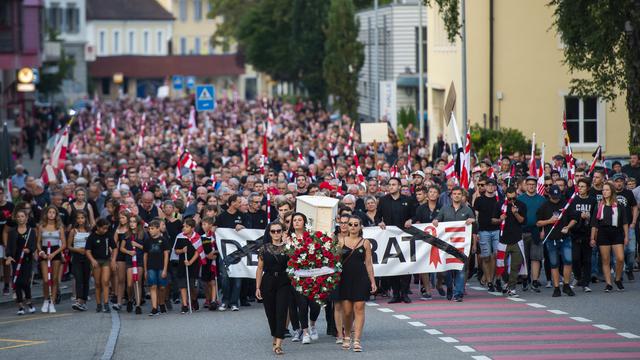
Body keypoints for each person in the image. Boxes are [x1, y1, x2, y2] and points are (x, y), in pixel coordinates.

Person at [338, 215, 376, 352]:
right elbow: (334, 261)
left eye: (356, 224)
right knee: (347, 311)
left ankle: (357, 340)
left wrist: (372, 281)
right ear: (346, 226)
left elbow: (369, 264)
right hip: (345, 278)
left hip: (361, 278)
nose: (353, 227)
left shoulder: (365, 242)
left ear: (360, 227)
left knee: (359, 308)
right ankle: (347, 335)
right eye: (350, 224)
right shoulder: (340, 241)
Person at [376, 177, 415, 303]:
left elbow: (414, 215)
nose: (391, 187)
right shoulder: (383, 200)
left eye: (394, 184)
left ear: (399, 187)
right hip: (389, 238)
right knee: (392, 266)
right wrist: (379, 222)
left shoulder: (408, 200)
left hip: (405, 238)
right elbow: (377, 217)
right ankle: (396, 294)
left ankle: (405, 293)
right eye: (389, 185)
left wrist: (411, 220)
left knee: (405, 266)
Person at [432, 186, 476, 301]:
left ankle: (458, 294)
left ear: (462, 196)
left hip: (462, 245)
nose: (456, 195)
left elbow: (475, 226)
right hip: (447, 245)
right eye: (454, 194)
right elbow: (437, 220)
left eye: (459, 194)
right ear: (451, 196)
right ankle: (450, 287)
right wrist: (435, 221)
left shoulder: (467, 210)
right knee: (447, 270)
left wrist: (473, 221)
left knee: (461, 269)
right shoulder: (444, 209)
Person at [255, 221, 291, 356]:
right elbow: (259, 268)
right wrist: (257, 287)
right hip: (268, 281)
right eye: (273, 231)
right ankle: (275, 336)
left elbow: (296, 264)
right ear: (269, 233)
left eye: (278, 231)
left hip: (284, 281)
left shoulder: (289, 247)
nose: (276, 233)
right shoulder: (264, 248)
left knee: (281, 311)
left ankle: (279, 344)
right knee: (271, 313)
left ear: (282, 232)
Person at [536, 185, 576, 297]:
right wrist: (549, 221)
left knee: (568, 261)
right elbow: (538, 222)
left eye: (557, 196)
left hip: (565, 237)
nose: (556, 199)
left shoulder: (566, 204)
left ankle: (567, 285)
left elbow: (574, 218)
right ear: (549, 195)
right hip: (551, 239)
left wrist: (568, 227)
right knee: (554, 264)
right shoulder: (544, 205)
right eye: (554, 197)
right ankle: (557, 287)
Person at [591, 182, 629, 292]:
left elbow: (625, 222)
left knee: (620, 258)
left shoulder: (619, 205)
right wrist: (592, 237)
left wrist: (626, 236)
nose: (604, 192)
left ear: (612, 191)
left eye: (607, 190)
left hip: (617, 232)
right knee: (605, 259)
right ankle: (608, 283)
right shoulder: (599, 205)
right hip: (603, 233)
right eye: (603, 190)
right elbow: (594, 223)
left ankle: (617, 279)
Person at [289, 212, 321, 344]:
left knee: (315, 306)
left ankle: (312, 325)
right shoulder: (288, 238)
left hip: (313, 276)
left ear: (304, 222)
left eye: (299, 220)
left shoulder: (312, 237)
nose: (296, 222)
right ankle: (305, 331)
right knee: (302, 305)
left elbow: (320, 253)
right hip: (297, 277)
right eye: (294, 220)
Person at [493, 187, 527, 297]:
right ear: (506, 195)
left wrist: (516, 213)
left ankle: (512, 288)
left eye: (513, 198)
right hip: (503, 240)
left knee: (516, 265)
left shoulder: (521, 205)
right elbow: (493, 220)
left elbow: (523, 221)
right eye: (509, 198)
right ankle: (506, 282)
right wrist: (500, 219)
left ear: (516, 195)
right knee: (501, 265)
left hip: (517, 239)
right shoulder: (500, 205)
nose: (511, 200)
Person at [517, 176, 546, 292]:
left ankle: (534, 281)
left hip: (536, 231)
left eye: (533, 184)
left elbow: (545, 216)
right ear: (525, 185)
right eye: (529, 184)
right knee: (523, 258)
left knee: (535, 257)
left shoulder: (542, 199)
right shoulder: (520, 199)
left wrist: (543, 230)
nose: (531, 186)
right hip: (522, 231)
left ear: (536, 186)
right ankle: (525, 280)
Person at [5, 209, 36, 315]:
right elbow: (9, 247)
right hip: (16, 259)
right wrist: (9, 256)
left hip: (26, 260)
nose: (20, 218)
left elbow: (33, 245)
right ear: (16, 219)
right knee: (17, 282)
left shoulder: (31, 231)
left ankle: (29, 301)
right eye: (18, 217)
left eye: (22, 216)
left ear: (26, 218)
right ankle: (20, 306)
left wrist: (29, 250)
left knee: (25, 282)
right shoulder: (12, 232)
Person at [570, 178, 598, 292]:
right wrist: (579, 216)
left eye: (582, 186)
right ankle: (577, 276)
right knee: (575, 258)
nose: (580, 188)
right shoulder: (573, 200)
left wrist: (593, 237)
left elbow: (594, 220)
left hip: (587, 233)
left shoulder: (592, 201)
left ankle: (586, 283)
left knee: (587, 260)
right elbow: (570, 215)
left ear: (587, 188)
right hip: (575, 233)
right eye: (579, 186)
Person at [37, 205, 66, 313]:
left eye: (53, 212)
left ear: (56, 215)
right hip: (44, 252)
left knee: (54, 279)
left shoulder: (59, 227)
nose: (51, 214)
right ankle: (45, 300)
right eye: (49, 212)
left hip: (55, 252)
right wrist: (41, 252)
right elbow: (38, 242)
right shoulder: (41, 226)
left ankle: (52, 302)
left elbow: (64, 244)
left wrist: (54, 254)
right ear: (46, 214)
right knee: (45, 280)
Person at [474, 178, 502, 292]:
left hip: (496, 230)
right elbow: (476, 217)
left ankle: (496, 280)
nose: (490, 187)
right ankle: (489, 281)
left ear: (495, 187)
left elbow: (503, 215)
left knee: (497, 256)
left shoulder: (499, 200)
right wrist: (476, 232)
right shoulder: (479, 200)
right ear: (485, 187)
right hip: (483, 231)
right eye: (488, 185)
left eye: (493, 185)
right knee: (486, 257)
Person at [85, 218, 117, 312]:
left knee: (105, 281)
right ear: (98, 227)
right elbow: (87, 250)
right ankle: (99, 304)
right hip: (96, 261)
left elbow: (114, 248)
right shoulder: (92, 237)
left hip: (106, 260)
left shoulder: (108, 235)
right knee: (98, 283)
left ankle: (106, 304)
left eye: (106, 228)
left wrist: (113, 259)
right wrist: (92, 260)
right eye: (103, 228)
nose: (105, 230)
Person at [611, 173, 638, 282]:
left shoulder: (629, 193)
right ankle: (619, 273)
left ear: (624, 182)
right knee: (615, 254)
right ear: (613, 182)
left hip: (629, 225)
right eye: (617, 181)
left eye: (621, 181)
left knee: (631, 250)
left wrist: (634, 222)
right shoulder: (610, 194)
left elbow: (635, 207)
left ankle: (629, 269)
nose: (619, 183)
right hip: (615, 227)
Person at [174, 218, 201, 314]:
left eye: (186, 227)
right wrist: (181, 251)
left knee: (192, 286)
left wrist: (190, 262)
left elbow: (198, 252)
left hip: (193, 264)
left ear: (192, 228)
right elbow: (176, 250)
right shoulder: (180, 237)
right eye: (183, 226)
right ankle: (185, 305)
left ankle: (193, 299)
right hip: (182, 263)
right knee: (183, 285)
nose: (184, 228)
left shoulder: (197, 237)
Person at [144, 220, 170, 316]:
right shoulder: (147, 241)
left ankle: (162, 303)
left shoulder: (163, 240)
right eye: (149, 229)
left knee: (162, 287)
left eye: (152, 228)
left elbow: (166, 255)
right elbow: (145, 255)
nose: (150, 231)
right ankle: (154, 308)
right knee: (153, 286)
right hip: (151, 266)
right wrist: (145, 269)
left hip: (161, 266)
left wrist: (165, 269)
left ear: (158, 229)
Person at [121, 215, 145, 314]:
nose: (132, 223)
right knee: (130, 284)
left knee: (138, 283)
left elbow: (146, 247)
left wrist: (137, 245)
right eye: (130, 222)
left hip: (139, 260)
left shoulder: (143, 234)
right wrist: (129, 252)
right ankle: (130, 299)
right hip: (130, 261)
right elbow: (121, 248)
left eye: (134, 222)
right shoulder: (126, 234)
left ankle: (138, 304)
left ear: (138, 223)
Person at [68, 211, 92, 311]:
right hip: (77, 257)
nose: (80, 220)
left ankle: (83, 301)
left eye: (82, 218)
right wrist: (77, 250)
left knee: (86, 279)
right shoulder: (73, 231)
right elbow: (68, 246)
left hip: (87, 257)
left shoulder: (90, 230)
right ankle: (79, 300)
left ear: (85, 219)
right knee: (78, 278)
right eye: (78, 218)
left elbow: (92, 245)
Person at [200, 216, 219, 311]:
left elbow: (219, 247)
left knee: (213, 282)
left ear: (211, 225)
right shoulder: (202, 237)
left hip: (214, 261)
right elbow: (199, 249)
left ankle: (213, 300)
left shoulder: (215, 236)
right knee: (206, 282)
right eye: (202, 224)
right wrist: (207, 256)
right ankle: (208, 298)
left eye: (205, 224)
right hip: (205, 261)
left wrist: (215, 253)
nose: (203, 226)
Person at [112, 211, 129, 311]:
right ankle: (119, 301)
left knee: (131, 280)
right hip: (120, 256)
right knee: (121, 279)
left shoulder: (131, 229)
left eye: (123, 217)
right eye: (120, 218)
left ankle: (131, 298)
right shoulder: (118, 230)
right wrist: (113, 259)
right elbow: (114, 245)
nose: (121, 219)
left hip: (131, 255)